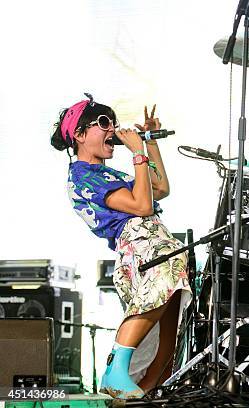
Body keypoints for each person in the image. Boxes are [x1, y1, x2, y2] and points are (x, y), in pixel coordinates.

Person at [50, 94, 191, 399]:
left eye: (113, 122)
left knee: (168, 336)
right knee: (154, 310)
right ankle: (116, 372)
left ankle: (148, 393)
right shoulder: (84, 175)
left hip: (157, 245)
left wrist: (150, 141)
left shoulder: (109, 173)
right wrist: (138, 153)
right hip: (141, 248)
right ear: (79, 135)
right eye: (103, 123)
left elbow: (159, 189)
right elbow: (142, 206)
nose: (112, 129)